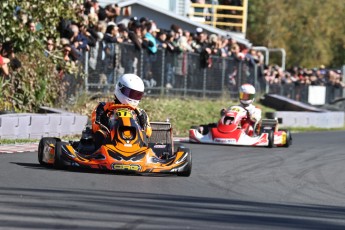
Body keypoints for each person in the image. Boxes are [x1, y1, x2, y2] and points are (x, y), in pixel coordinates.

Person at [92, 73, 152, 149]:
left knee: (143, 135)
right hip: (108, 144)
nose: (133, 98)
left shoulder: (140, 113)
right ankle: (98, 155)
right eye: (130, 93)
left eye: (137, 95)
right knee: (99, 134)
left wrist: (141, 121)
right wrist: (105, 119)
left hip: (136, 146)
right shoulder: (103, 107)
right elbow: (95, 126)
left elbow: (148, 132)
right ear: (120, 89)